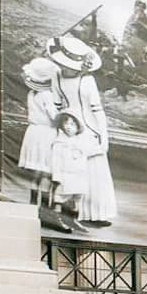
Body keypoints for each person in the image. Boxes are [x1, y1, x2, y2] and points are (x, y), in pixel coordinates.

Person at [49, 36, 116, 227]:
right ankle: (68, 213)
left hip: (89, 127)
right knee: (69, 170)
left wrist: (103, 136)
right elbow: (56, 105)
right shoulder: (56, 76)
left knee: (94, 169)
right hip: (67, 126)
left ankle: (95, 214)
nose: (67, 67)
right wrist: (59, 127)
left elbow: (97, 110)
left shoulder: (87, 80)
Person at [17, 58, 61, 207]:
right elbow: (54, 116)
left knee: (36, 170)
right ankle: (43, 206)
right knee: (46, 170)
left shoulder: (32, 93)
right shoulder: (46, 95)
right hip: (46, 133)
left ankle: (33, 201)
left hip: (34, 132)